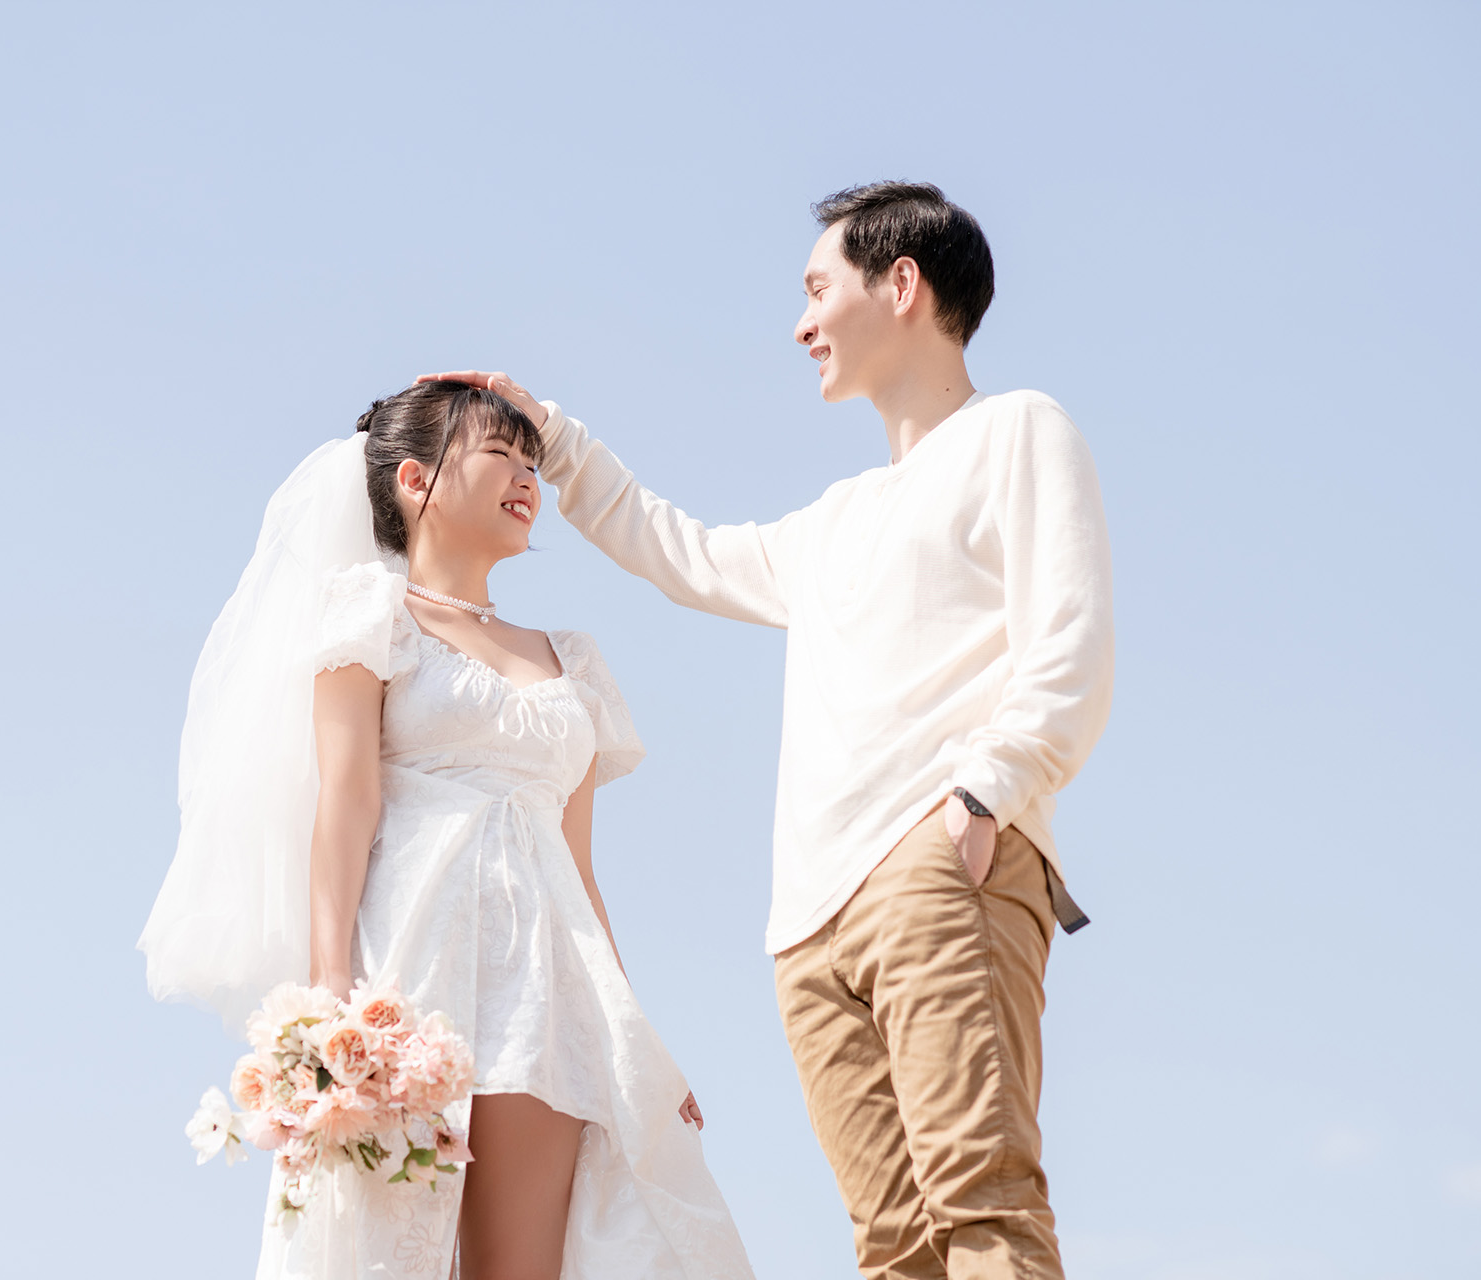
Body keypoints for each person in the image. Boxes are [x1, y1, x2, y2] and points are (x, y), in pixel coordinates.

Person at [424, 180, 1114, 1280]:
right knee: (892, 1247)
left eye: (816, 289)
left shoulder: (1017, 431)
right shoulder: (836, 520)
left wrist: (985, 792)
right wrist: (553, 437)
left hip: (939, 868)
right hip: (808, 927)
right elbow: (679, 551)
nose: (801, 325)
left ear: (901, 284)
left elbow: (1070, 645)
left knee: (982, 1206)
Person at [138, 380, 756, 1280]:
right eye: (499, 453)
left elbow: (580, 871)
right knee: (385, 1253)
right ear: (415, 480)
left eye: (532, 460)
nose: (526, 477)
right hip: (411, 965)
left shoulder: (571, 660)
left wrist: (637, 1043)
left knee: (520, 1267)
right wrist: (330, 994)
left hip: (547, 992)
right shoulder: (371, 613)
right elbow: (346, 805)